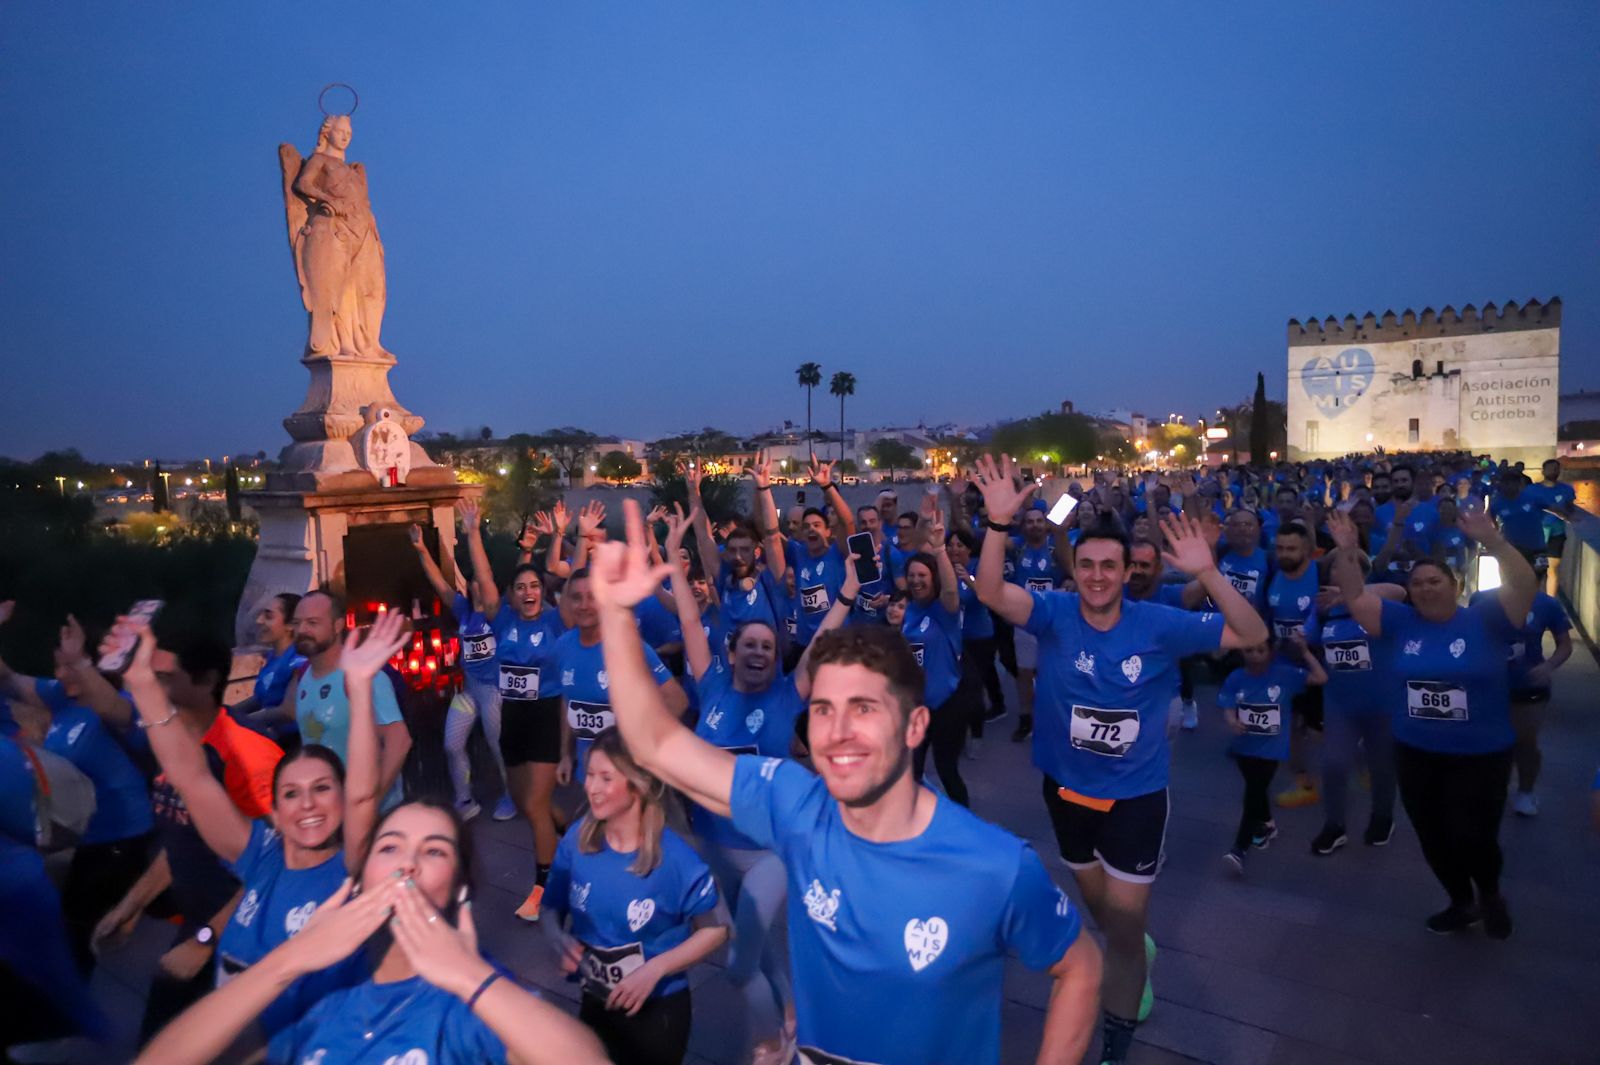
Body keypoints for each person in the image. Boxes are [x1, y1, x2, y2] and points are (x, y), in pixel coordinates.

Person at [592, 499, 1101, 1065]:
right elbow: (655, 743)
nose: (836, 732)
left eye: (864, 709)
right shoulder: (794, 803)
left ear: (915, 725)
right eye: (826, 709)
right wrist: (614, 613)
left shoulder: (995, 865)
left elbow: (1081, 965)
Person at [973, 454, 1266, 1065]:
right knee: (1102, 914)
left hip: (1135, 797)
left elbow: (1250, 633)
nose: (1099, 576)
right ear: (1073, 569)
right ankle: (1135, 949)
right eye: (1087, 565)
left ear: (1127, 569)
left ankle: (1116, 1039)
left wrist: (1209, 572)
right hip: (1067, 793)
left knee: (1124, 935)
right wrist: (998, 526)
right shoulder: (1052, 615)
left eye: (1110, 566)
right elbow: (992, 592)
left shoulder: (1158, 623)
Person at [108, 611, 408, 1043]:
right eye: (291, 793)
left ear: (341, 803)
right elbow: (191, 777)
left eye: (322, 789)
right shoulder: (261, 854)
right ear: (276, 808)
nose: (306, 803)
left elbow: (363, 794)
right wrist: (141, 684)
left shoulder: (352, 869)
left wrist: (359, 687)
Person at [133, 804, 609, 1065]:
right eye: (390, 847)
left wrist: (472, 979)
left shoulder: (470, 998)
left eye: (434, 851)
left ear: (459, 887)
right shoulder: (315, 983)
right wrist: (289, 960)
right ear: (361, 880)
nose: (407, 864)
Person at [661, 504, 852, 1064]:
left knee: (742, 953)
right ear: (734, 650)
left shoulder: (787, 695)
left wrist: (847, 593)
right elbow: (693, 624)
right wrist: (675, 554)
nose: (759, 652)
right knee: (763, 958)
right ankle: (779, 1038)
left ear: (776, 658)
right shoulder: (711, 686)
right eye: (751, 644)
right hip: (714, 847)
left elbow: (824, 639)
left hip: (770, 851)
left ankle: (776, 1039)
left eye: (768, 647)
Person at [1329, 507, 1534, 938]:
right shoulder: (1400, 623)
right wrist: (1347, 552)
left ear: (1455, 585)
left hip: (1481, 754)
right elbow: (1355, 597)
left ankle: (1490, 892)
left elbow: (1524, 584)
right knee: (1432, 834)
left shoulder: (1487, 619)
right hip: (1416, 750)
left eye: (1434, 581)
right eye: (1417, 583)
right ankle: (1461, 901)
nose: (1424, 588)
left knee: (1475, 835)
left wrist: (1494, 543)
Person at [93, 626, 285, 1041]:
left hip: (242, 928)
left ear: (207, 681)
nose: (157, 682)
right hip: (200, 922)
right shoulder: (175, 749)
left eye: (167, 675)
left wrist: (206, 939)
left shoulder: (248, 754)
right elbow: (183, 836)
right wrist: (130, 906)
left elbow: (279, 860)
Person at [544, 730, 728, 1065]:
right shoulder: (575, 841)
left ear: (638, 784)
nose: (591, 788)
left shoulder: (677, 859)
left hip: (658, 1011)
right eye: (590, 775)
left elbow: (716, 930)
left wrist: (655, 969)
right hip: (595, 1002)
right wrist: (559, 939)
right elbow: (550, 909)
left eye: (606, 778)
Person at [0, 608, 153, 976]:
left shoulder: (122, 707)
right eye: (58, 666)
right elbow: (7, 679)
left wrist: (79, 662)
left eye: (67, 667)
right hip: (89, 839)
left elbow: (112, 707)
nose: (59, 675)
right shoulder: (63, 699)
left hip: (123, 840)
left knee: (76, 935)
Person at [466, 509, 569, 921]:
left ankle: (545, 891)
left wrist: (566, 749)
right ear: (510, 597)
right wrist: (473, 531)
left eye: (534, 586)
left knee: (537, 806)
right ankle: (579, 836)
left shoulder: (557, 622)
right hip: (513, 719)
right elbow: (485, 576)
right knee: (529, 805)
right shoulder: (503, 617)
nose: (528, 592)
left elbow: (562, 695)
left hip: (546, 716)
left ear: (543, 592)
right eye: (521, 587)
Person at [409, 505, 515, 822]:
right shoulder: (463, 611)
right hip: (469, 691)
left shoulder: (496, 615)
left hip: (495, 691)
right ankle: (464, 799)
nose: (476, 585)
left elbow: (484, 571)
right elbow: (439, 584)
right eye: (472, 582)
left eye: (480, 582)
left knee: (498, 747)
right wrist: (421, 549)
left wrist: (472, 532)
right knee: (452, 743)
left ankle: (511, 794)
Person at [555, 567, 689, 791]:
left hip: (631, 777)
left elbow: (677, 701)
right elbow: (568, 702)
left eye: (592, 597)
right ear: (567, 602)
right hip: (589, 775)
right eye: (577, 598)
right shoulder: (562, 647)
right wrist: (566, 755)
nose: (585, 605)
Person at [275, 590, 412, 804]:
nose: (302, 630)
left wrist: (370, 803)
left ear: (337, 626)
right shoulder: (303, 677)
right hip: (330, 813)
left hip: (376, 818)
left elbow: (400, 741)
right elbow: (290, 713)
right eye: (297, 622)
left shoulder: (363, 674)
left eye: (312, 622)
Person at [1310, 550, 1404, 856]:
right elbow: (1306, 639)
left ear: (1362, 572)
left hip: (1383, 703)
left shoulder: (1380, 603)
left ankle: (1382, 816)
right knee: (1334, 764)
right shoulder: (1323, 609)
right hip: (1340, 703)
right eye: (1334, 569)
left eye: (1347, 566)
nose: (1338, 574)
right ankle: (1334, 825)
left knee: (1382, 766)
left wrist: (1349, 595)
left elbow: (1400, 591)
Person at [1218, 635, 1327, 874]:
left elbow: (1320, 677)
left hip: (1271, 749)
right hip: (1244, 746)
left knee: (1253, 792)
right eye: (1249, 651)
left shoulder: (1285, 675)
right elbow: (1227, 703)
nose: (1255, 656)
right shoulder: (1236, 677)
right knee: (1255, 788)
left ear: (1270, 652)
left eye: (1260, 650)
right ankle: (1267, 824)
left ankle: (1239, 849)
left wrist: (1306, 652)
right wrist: (1231, 720)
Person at [1470, 585, 1572, 817]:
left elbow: (1564, 645)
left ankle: (1525, 791)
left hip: (1528, 686)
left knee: (1525, 742)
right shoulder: (1481, 598)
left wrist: (1548, 666)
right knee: (1486, 741)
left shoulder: (1547, 604)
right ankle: (1490, 789)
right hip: (1488, 685)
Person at [899, 495, 969, 806]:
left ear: (934, 579)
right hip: (917, 707)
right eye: (912, 576)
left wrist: (940, 549)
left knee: (946, 769)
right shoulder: (909, 609)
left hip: (948, 705)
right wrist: (924, 523)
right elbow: (915, 552)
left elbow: (951, 588)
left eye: (922, 576)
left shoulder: (945, 610)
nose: (916, 580)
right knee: (910, 771)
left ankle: (966, 827)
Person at [1262, 522, 1322, 809]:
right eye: (1280, 548)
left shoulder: (1320, 573)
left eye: (1291, 549)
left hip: (1321, 665)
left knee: (1322, 729)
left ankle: (1358, 766)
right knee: (1293, 726)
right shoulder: (1274, 573)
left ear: (1307, 550)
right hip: (1286, 664)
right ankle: (1304, 784)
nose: (1284, 554)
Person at [1004, 497, 1073, 742]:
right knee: (1024, 672)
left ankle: (1054, 718)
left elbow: (1072, 569)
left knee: (1053, 672)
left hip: (1053, 622)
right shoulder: (1018, 547)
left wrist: (1061, 532)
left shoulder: (1056, 548)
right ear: (1023, 526)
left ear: (1046, 524)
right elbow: (996, 536)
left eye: (1039, 521)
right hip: (1024, 621)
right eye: (1029, 522)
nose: (1034, 525)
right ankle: (1025, 717)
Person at [781, 455, 857, 670]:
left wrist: (827, 487)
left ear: (828, 531)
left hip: (838, 644)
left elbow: (848, 521)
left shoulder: (838, 553)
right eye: (806, 527)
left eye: (817, 525)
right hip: (805, 646)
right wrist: (762, 489)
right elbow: (767, 531)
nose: (811, 529)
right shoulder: (797, 553)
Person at [229, 594, 305, 741]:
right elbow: (261, 698)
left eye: (268, 617)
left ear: (290, 625)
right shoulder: (272, 657)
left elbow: (288, 712)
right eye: (260, 615)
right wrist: (225, 713)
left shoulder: (298, 660)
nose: (259, 621)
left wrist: (240, 722)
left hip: (293, 744)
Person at [1535, 458, 1575, 595]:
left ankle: (1550, 602)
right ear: (1543, 471)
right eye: (1550, 468)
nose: (1553, 471)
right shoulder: (1533, 489)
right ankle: (1533, 602)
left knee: (1552, 569)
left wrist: (1570, 515)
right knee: (1536, 570)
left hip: (1557, 533)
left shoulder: (1567, 489)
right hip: (1536, 533)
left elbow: (1570, 508)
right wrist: (1556, 511)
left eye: (1556, 469)